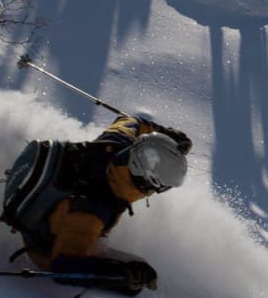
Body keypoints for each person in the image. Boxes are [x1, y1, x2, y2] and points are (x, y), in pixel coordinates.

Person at [12, 115, 192, 294]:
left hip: (60, 217)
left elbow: (130, 120)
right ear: (145, 180)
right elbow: (62, 268)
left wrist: (168, 136)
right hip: (46, 252)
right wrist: (120, 274)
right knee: (137, 279)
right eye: (160, 183)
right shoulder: (92, 211)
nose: (158, 189)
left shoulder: (115, 143)